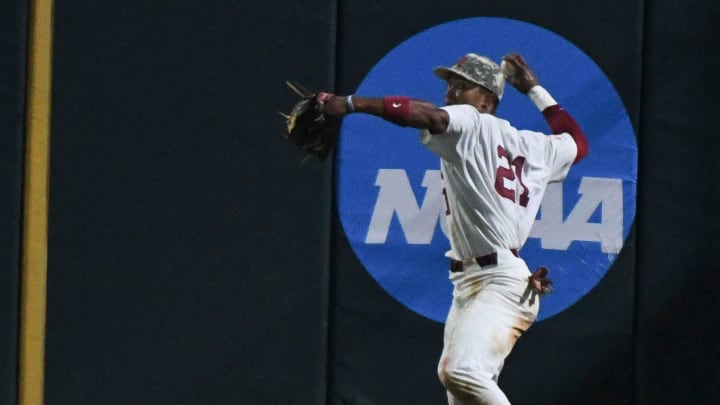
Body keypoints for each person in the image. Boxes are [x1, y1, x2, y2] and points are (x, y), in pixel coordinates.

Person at [318, 52, 589, 404]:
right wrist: (534, 89)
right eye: (449, 85)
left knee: (458, 371)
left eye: (462, 87)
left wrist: (351, 103)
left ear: (486, 100)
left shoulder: (475, 121)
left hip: (501, 283)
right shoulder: (533, 146)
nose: (450, 93)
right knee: (461, 396)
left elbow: (427, 114)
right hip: (476, 283)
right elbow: (577, 143)